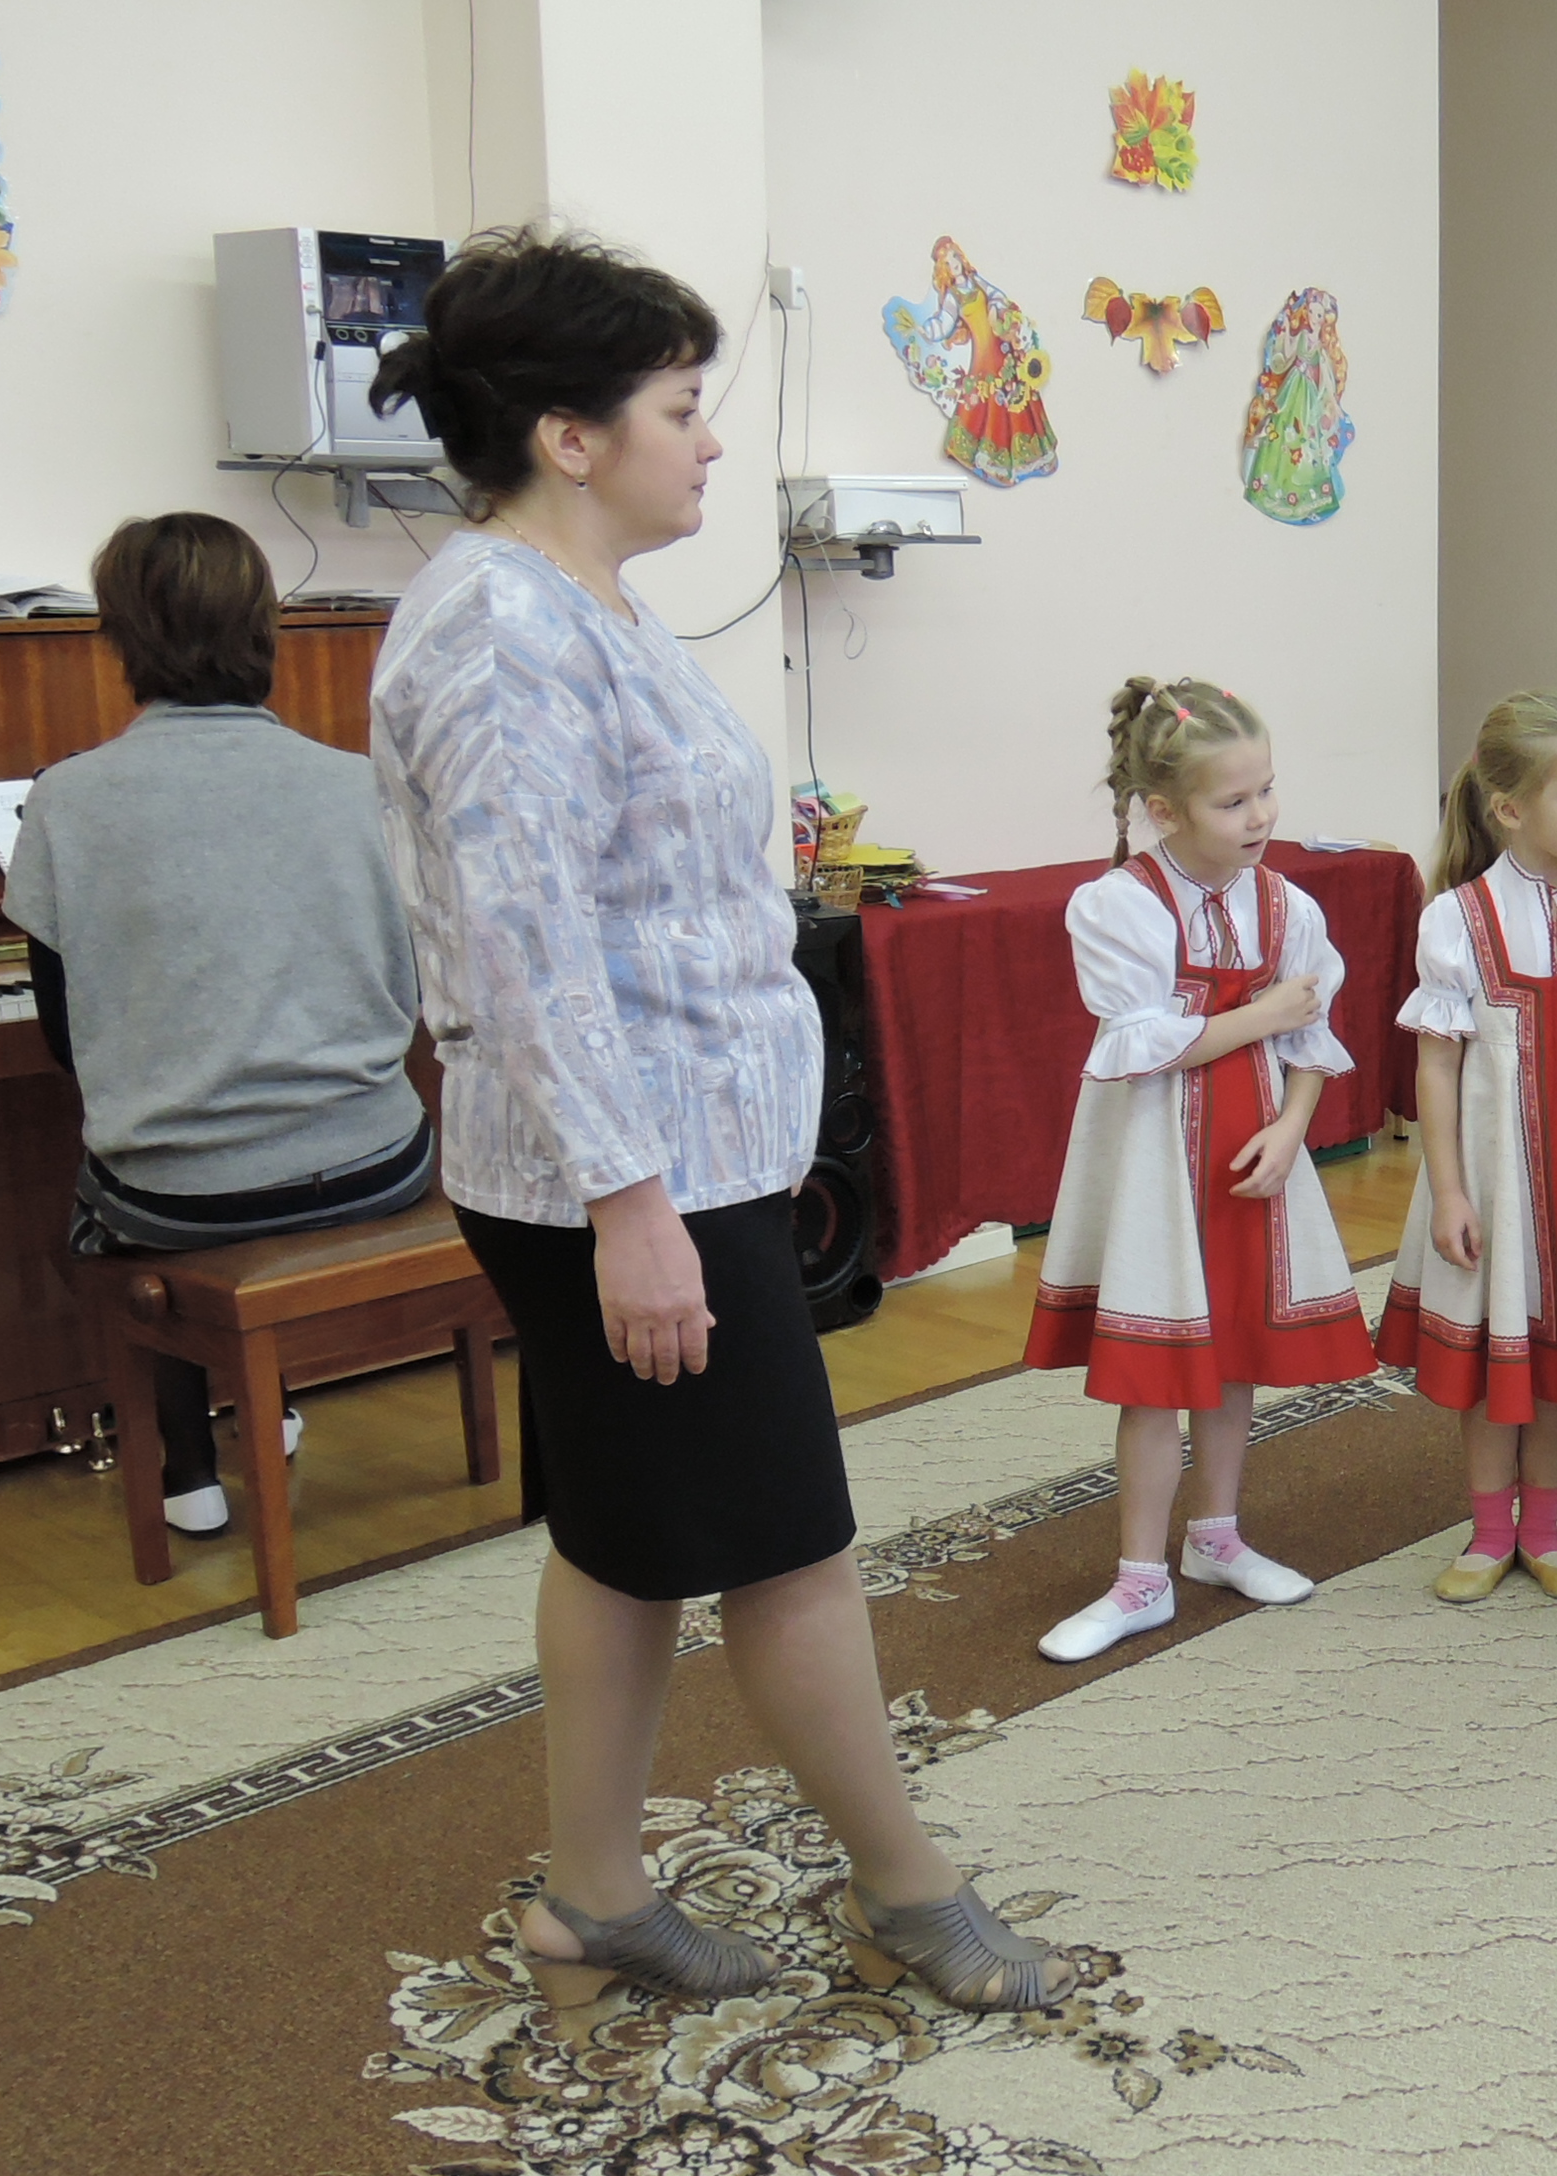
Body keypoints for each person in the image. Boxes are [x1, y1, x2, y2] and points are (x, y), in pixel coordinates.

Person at [366, 225, 1063, 2014]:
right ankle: (908, 1892)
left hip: (673, 1156)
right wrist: (632, 1205)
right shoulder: (499, 631)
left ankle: (593, 1897)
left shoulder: (581, 601)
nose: (711, 439)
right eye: (681, 408)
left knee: (622, 1542)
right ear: (568, 435)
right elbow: (525, 946)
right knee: (790, 1547)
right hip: (626, 1175)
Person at [2, 510, 432, 1539]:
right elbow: (408, 989)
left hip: (184, 1207)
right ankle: (260, 1401)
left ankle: (188, 1467)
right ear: (265, 627)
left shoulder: (66, 800)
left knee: (130, 1183)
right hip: (376, 1163)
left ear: (119, 637)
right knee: (208, 1146)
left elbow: (64, 1039)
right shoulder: (357, 786)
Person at [1021, 676, 1377, 1660]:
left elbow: (1313, 1037)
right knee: (1155, 1373)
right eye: (1233, 801)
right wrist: (1263, 1013)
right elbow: (1140, 1045)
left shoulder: (1289, 907)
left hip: (1251, 1153)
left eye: (1266, 790)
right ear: (1164, 810)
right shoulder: (1115, 907)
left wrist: (1293, 1129)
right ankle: (1139, 1579)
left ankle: (1216, 1539)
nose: (1260, 816)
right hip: (1154, 1162)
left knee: (1232, 1360)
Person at [1377, 690, 1557, 1603]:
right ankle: (1488, 1532)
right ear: (1508, 808)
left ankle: (1543, 1530)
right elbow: (1435, 1069)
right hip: (1493, 1181)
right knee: (1492, 1355)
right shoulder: (1456, 920)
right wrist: (1450, 1191)